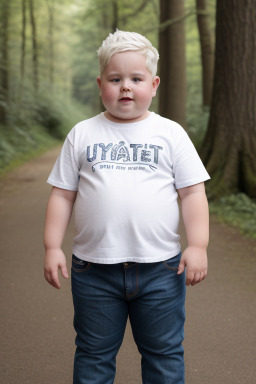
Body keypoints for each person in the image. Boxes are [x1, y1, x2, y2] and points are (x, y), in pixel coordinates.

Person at [44, 30, 210, 384]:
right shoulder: (83, 134)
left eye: (136, 79)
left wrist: (198, 245)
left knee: (164, 354)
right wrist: (52, 246)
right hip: (93, 270)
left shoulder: (170, 134)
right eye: (115, 79)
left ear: (154, 84)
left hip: (161, 270)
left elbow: (193, 193)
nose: (125, 87)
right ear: (100, 82)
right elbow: (62, 194)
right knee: (93, 354)